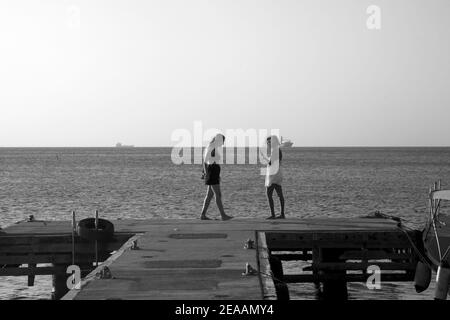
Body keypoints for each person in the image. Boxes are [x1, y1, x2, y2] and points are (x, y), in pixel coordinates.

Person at [200, 133, 233, 221]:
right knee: (218, 194)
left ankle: (203, 215)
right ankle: (223, 215)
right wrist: (206, 172)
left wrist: (214, 173)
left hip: (214, 171)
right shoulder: (212, 146)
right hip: (212, 171)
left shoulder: (213, 146)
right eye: (222, 141)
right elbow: (205, 161)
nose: (223, 144)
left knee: (209, 195)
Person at [260, 135, 285, 219]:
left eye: (269, 142)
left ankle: (273, 214)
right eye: (267, 142)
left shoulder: (274, 150)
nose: (267, 143)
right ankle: (282, 214)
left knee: (269, 194)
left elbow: (270, 163)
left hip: (273, 175)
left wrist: (264, 157)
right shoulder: (278, 150)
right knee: (279, 194)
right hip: (278, 173)